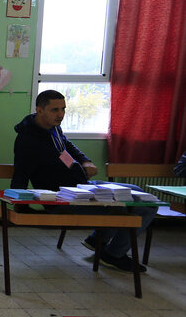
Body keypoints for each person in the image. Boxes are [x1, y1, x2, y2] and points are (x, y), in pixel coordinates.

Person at [11, 90, 156, 272]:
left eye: (63, 109)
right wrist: (21, 206)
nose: (61, 115)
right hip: (64, 198)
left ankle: (97, 240)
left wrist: (85, 160)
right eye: (55, 110)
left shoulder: (53, 128)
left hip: (82, 187)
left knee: (141, 195)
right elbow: (21, 172)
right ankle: (113, 254)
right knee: (128, 207)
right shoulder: (27, 140)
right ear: (39, 110)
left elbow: (67, 145)